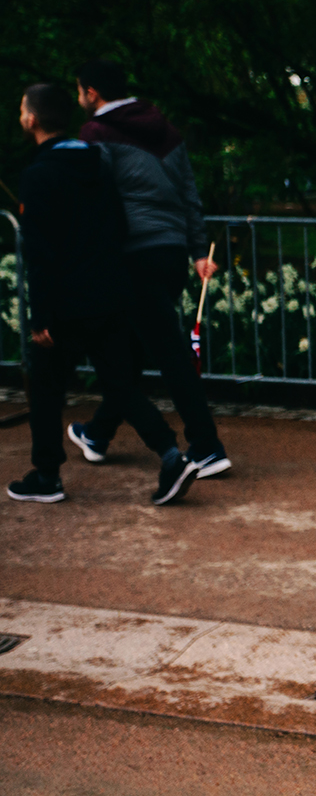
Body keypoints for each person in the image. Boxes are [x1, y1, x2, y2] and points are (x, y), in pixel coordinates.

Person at [8, 84, 200, 505]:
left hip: (64, 301)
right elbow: (116, 227)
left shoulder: (39, 175)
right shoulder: (98, 163)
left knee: (46, 389)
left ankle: (46, 476)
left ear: (32, 119)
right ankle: (171, 454)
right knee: (120, 385)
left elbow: (40, 254)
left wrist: (41, 316)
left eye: (23, 111)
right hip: (109, 293)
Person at [67, 58, 230, 479]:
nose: (78, 97)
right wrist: (197, 250)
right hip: (171, 252)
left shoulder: (95, 133)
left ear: (91, 92)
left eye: (79, 90)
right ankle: (99, 433)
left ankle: (207, 445)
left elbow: (95, 202)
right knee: (134, 349)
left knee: (167, 353)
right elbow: (189, 195)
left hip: (132, 255)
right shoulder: (168, 131)